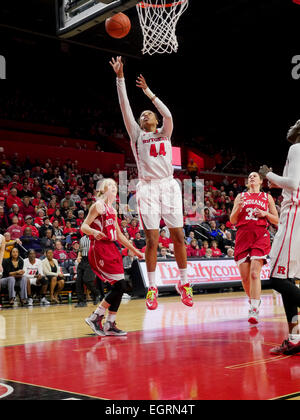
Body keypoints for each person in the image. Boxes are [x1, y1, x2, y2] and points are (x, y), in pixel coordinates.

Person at [111, 56, 193, 310]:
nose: (144, 115)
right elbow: (125, 107)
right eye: (142, 114)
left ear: (155, 120)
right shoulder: (137, 135)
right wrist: (120, 78)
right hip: (147, 187)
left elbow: (168, 113)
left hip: (168, 185)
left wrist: (147, 92)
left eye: (148, 113)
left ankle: (184, 282)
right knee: (152, 238)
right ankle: (153, 288)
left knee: (179, 235)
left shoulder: (165, 131)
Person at [81, 178, 143, 337]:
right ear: (103, 189)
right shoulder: (98, 206)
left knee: (121, 287)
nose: (115, 188)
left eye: (116, 186)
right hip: (100, 248)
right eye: (111, 185)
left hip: (112, 248)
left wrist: (135, 250)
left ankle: (109, 323)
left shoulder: (112, 210)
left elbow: (120, 235)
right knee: (120, 286)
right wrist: (93, 232)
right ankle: (96, 317)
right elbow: (84, 226)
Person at [259, 119, 300, 355]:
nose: (291, 125)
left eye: (296, 123)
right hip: (295, 213)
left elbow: (294, 184)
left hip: (294, 213)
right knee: (288, 281)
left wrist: (269, 174)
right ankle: (295, 337)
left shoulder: (296, 147)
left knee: (277, 279)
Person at [230, 172, 278, 325]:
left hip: (260, 235)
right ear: (247, 182)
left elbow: (277, 220)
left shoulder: (266, 197)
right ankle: (253, 300)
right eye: (249, 176)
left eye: (255, 176)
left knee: (254, 274)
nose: (251, 178)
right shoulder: (240, 196)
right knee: (245, 278)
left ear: (261, 181)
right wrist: (238, 208)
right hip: (243, 235)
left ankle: (254, 309)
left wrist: (265, 213)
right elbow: (232, 220)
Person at [75, 235, 101, 308]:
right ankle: (81, 301)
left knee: (87, 280)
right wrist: (78, 256)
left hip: (91, 260)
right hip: (83, 260)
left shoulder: (95, 238)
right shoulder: (82, 239)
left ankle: (96, 294)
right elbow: (80, 250)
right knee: (78, 281)